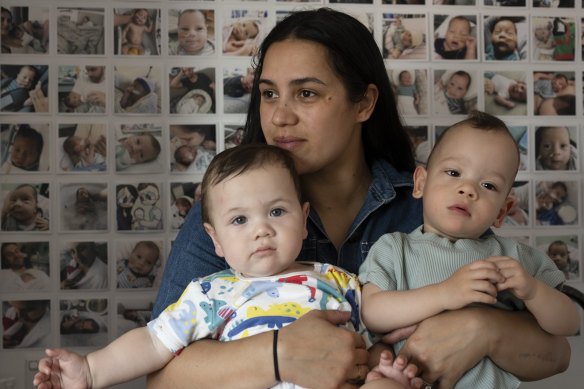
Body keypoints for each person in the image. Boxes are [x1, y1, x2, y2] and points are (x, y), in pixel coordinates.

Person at [148, 9, 570, 389]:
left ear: (364, 102)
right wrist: (278, 356)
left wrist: (482, 328)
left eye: (306, 93)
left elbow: (556, 355)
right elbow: (162, 376)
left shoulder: (431, 205)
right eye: (269, 93)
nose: (279, 116)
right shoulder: (229, 215)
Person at [33, 144, 421, 389]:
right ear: (214, 239)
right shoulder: (211, 293)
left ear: (304, 220)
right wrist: (91, 370)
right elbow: (153, 342)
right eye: (239, 220)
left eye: (277, 211)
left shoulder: (339, 281)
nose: (262, 229)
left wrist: (386, 363)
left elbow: (379, 329)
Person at [358, 111, 579, 388]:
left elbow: (569, 324)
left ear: (502, 211)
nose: (467, 189)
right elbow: (372, 313)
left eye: (488, 185)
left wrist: (533, 291)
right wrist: (445, 293)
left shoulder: (513, 258)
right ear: (420, 183)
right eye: (453, 173)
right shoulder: (394, 248)